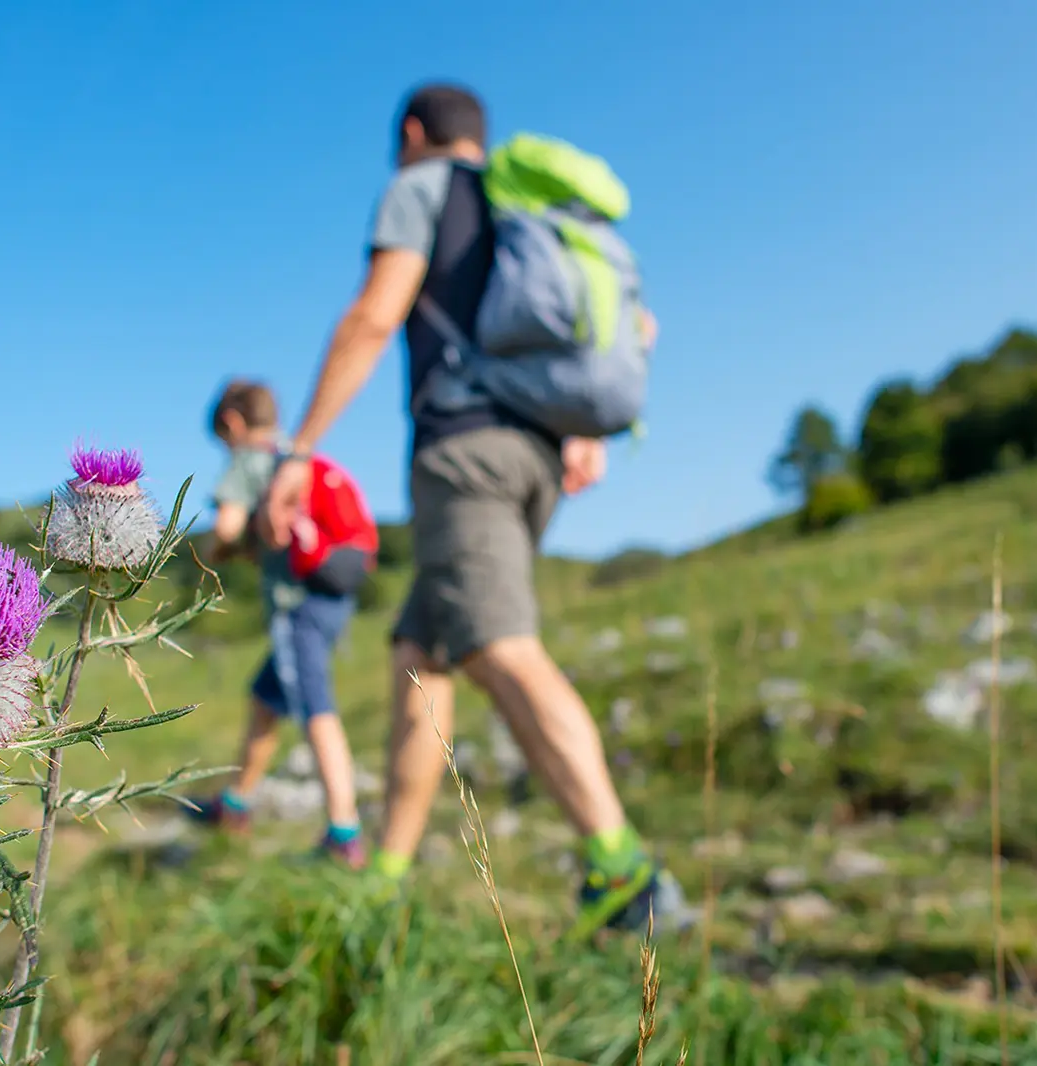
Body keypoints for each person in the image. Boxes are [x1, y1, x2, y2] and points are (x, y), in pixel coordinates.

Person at [257, 83, 687, 936]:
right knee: (422, 655)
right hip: (534, 457)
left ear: (413, 133)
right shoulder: (531, 211)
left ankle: (626, 874)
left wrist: (298, 448)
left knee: (498, 645)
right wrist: (581, 427)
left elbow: (375, 315)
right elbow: (639, 329)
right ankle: (387, 872)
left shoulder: (423, 188)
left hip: (466, 456)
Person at [185, 379, 368, 868]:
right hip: (333, 596)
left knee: (315, 707)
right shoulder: (296, 455)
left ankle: (344, 834)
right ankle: (235, 804)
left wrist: (215, 550)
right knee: (265, 700)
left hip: (296, 605)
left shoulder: (250, 460)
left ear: (233, 424)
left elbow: (226, 528)